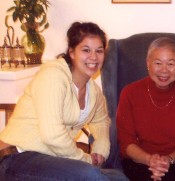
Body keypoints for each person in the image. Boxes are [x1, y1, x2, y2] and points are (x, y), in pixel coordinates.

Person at [0, 22, 111, 180]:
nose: (93, 57)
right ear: (72, 52)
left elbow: (101, 121)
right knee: (90, 176)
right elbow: (52, 135)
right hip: (16, 156)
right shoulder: (53, 75)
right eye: (86, 50)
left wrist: (100, 150)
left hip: (51, 158)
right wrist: (85, 159)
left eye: (99, 51)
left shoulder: (93, 90)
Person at [117, 37, 175, 181]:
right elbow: (126, 142)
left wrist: (168, 160)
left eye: (170, 64)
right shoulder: (129, 93)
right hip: (138, 161)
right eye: (158, 63)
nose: (164, 70)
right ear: (148, 64)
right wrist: (149, 160)